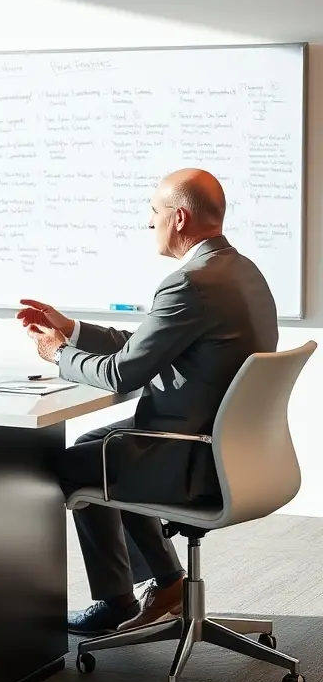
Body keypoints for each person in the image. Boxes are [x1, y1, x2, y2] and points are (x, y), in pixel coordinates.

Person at [17, 168, 278, 636]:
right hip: (231, 449)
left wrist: (58, 354)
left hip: (189, 456)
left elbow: (123, 372)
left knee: (70, 466)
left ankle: (118, 599)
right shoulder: (240, 271)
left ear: (178, 218)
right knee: (95, 443)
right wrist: (72, 330)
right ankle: (165, 582)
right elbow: (144, 346)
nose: (149, 222)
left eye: (154, 212)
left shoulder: (190, 283)